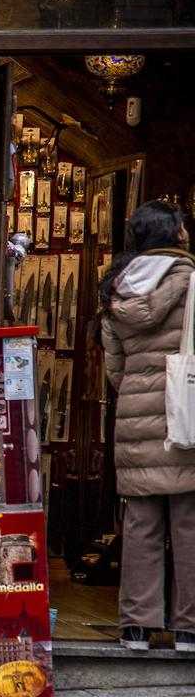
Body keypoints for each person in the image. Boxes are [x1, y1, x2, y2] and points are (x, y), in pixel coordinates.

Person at [100, 200, 195, 653]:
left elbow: (114, 369)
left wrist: (141, 389)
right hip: (186, 419)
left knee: (140, 524)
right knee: (189, 523)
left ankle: (135, 627)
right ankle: (188, 628)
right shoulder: (192, 282)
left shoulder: (118, 289)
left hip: (135, 422)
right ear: (175, 235)